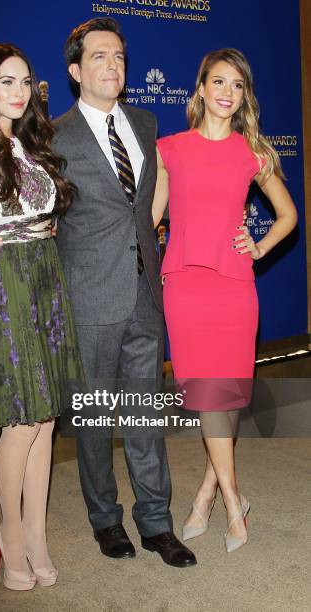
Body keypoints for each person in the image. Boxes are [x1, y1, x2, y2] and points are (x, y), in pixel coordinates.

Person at [0, 19, 197, 568]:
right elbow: (15, 192)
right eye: (99, 57)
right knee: (97, 421)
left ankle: (156, 523)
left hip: (146, 292)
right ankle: (105, 519)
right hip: (87, 297)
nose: (113, 65)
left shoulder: (146, 123)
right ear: (74, 71)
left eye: (119, 56)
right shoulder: (51, 134)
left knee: (144, 415)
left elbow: (149, 198)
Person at [0, 43, 84, 590]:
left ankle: (37, 535)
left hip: (44, 280)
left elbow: (41, 216)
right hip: (4, 289)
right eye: (7, 82)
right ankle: (9, 533)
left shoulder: (33, 143)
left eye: (26, 81)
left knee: (45, 416)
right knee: (22, 419)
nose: (20, 91)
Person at [153, 48, 297, 552]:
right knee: (207, 394)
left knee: (227, 394)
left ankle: (212, 495)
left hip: (234, 287)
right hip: (186, 286)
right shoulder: (168, 148)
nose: (226, 92)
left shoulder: (251, 153)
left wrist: (257, 246)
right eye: (218, 81)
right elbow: (150, 218)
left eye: (237, 85)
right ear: (200, 88)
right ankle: (233, 500)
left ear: (243, 97)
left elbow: (288, 216)